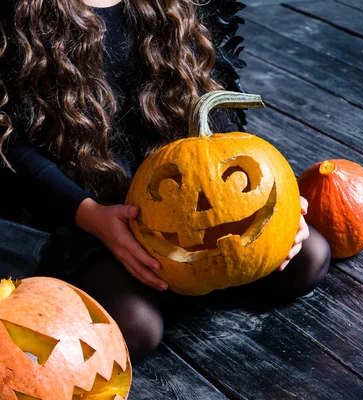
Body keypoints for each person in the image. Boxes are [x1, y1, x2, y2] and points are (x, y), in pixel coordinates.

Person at [0, 0, 330, 363]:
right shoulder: (20, 12)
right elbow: (13, 147)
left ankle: (199, 278)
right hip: (85, 208)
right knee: (135, 327)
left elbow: (214, 104)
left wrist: (277, 211)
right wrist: (91, 216)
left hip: (181, 201)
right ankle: (176, 287)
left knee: (309, 257)